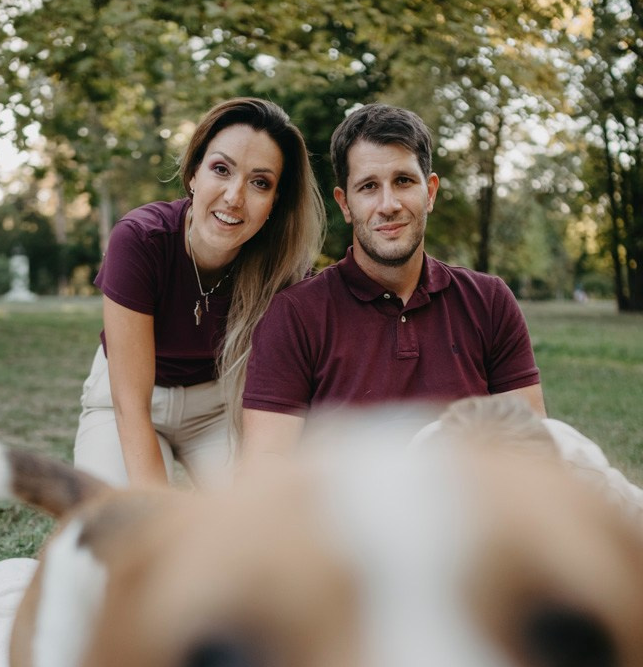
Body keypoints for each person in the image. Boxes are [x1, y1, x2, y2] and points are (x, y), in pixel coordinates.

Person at [241, 103, 546, 459]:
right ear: (345, 204)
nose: (389, 205)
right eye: (369, 186)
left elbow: (534, 450)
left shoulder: (489, 301)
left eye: (403, 181)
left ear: (429, 192)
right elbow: (265, 471)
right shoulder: (294, 315)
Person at [74, 97, 325, 488]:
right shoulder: (141, 240)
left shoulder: (286, 270)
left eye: (260, 182)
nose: (234, 197)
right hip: (130, 402)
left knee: (253, 533)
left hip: (220, 409)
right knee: (120, 535)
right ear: (193, 173)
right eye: (221, 169)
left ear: (276, 201)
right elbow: (131, 406)